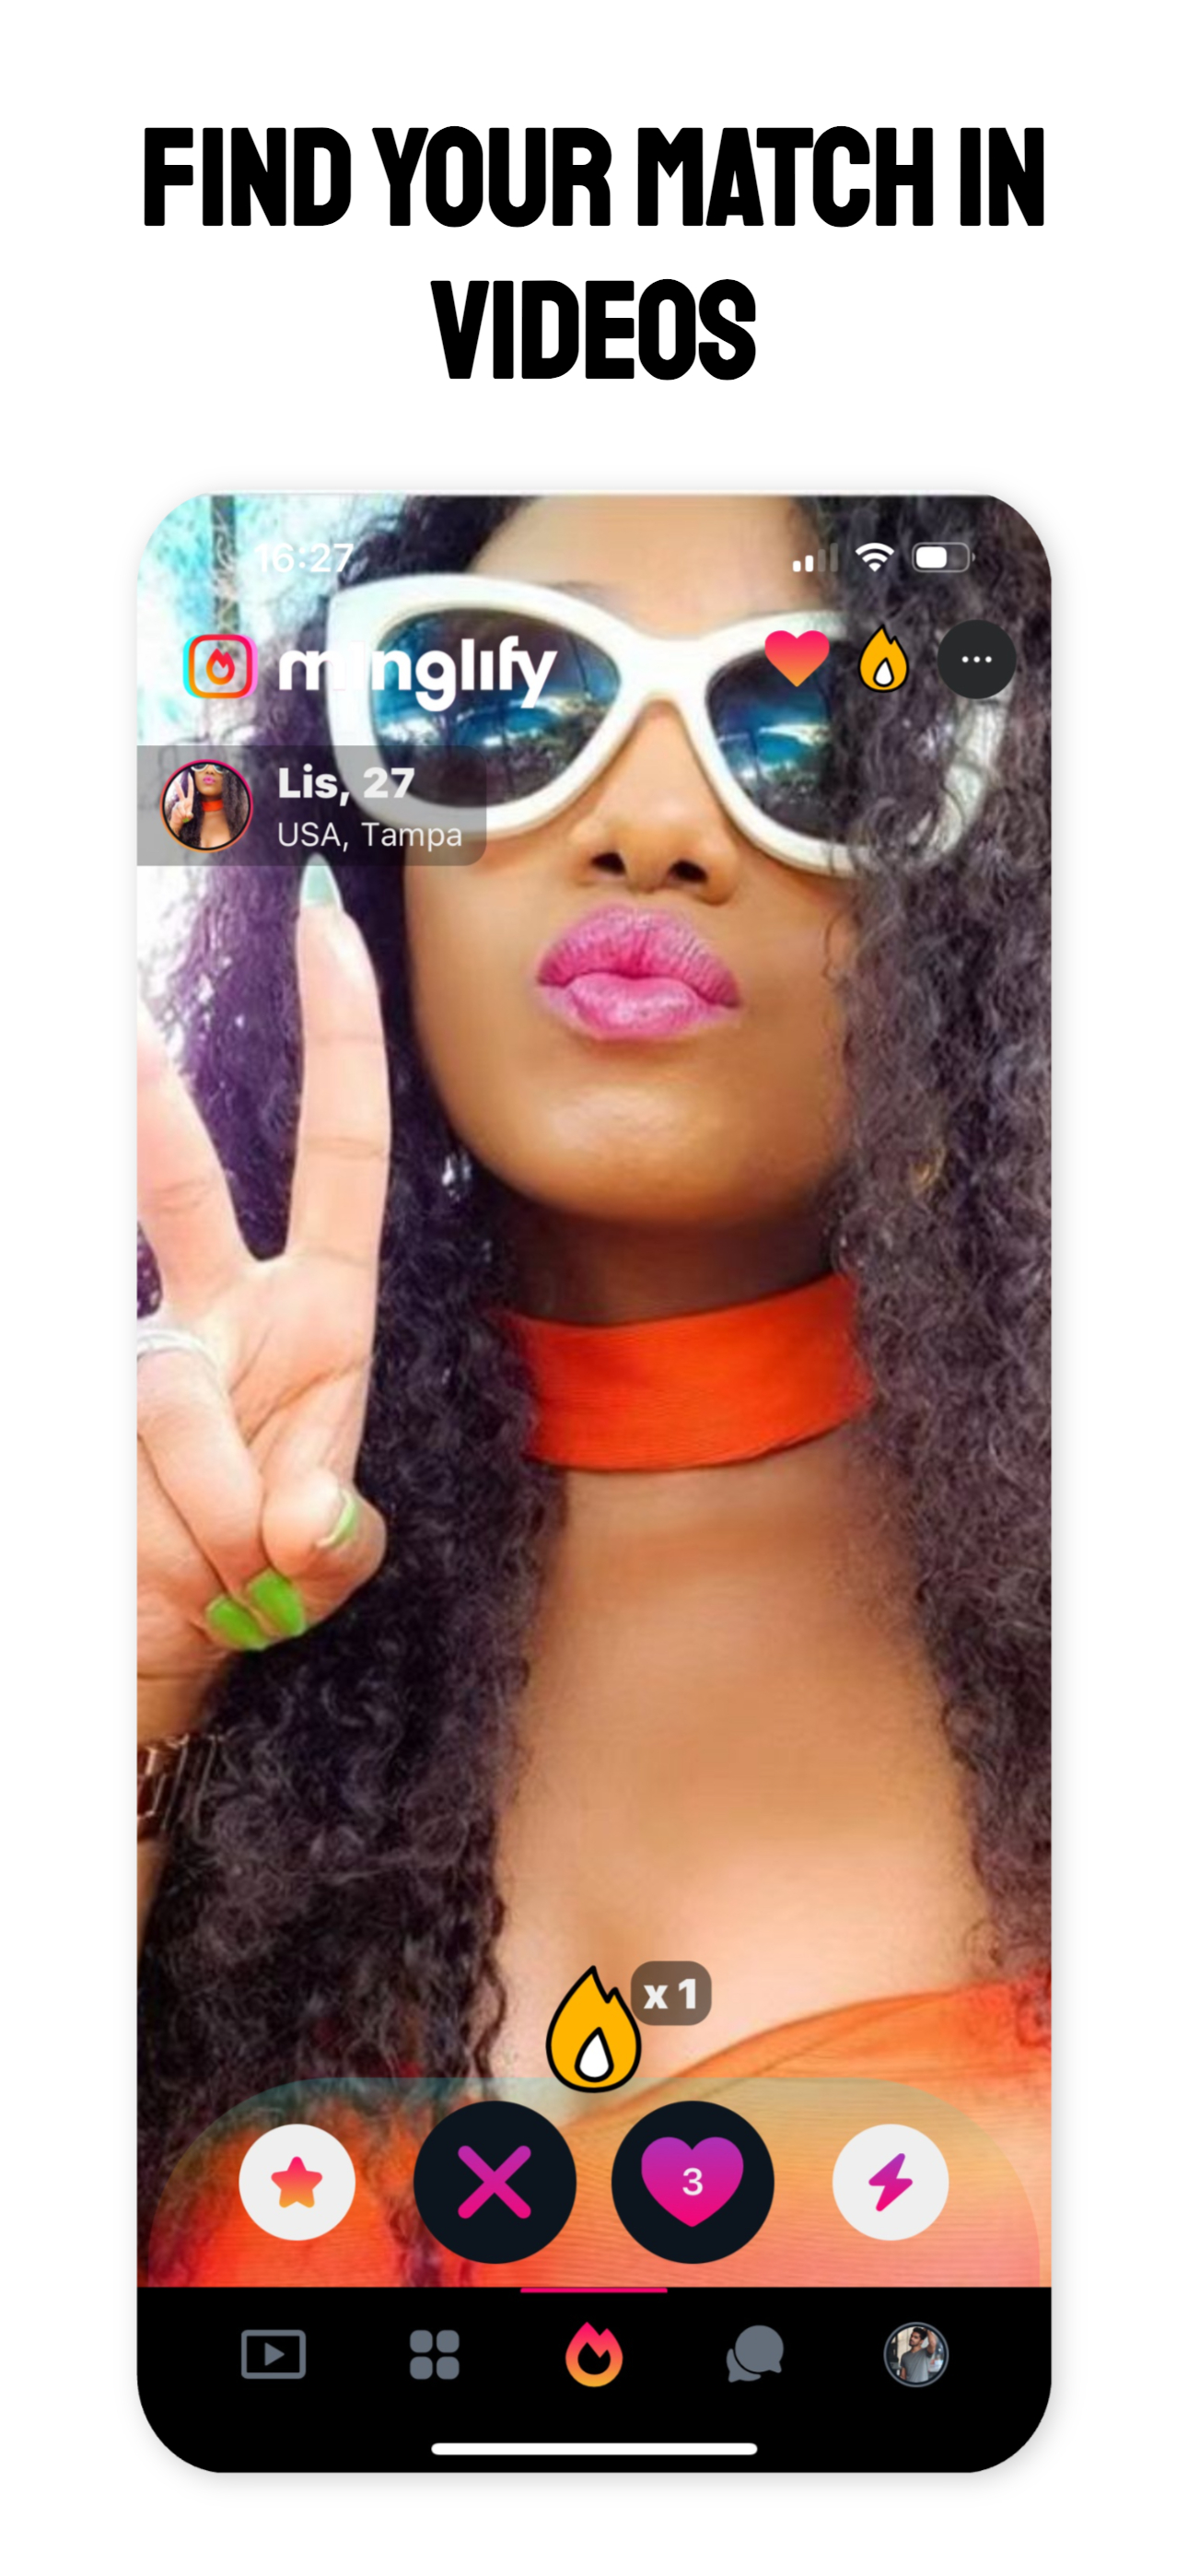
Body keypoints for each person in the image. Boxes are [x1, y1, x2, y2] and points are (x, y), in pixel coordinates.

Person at [136, 495, 1050, 2280]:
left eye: (819, 737)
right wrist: (139, 1670)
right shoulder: (150, 1507)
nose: (650, 828)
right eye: (511, 699)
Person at [164, 760, 250, 849]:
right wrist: (176, 825)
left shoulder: (244, 821)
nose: (209, 770)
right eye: (201, 764)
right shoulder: (171, 814)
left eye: (218, 766)